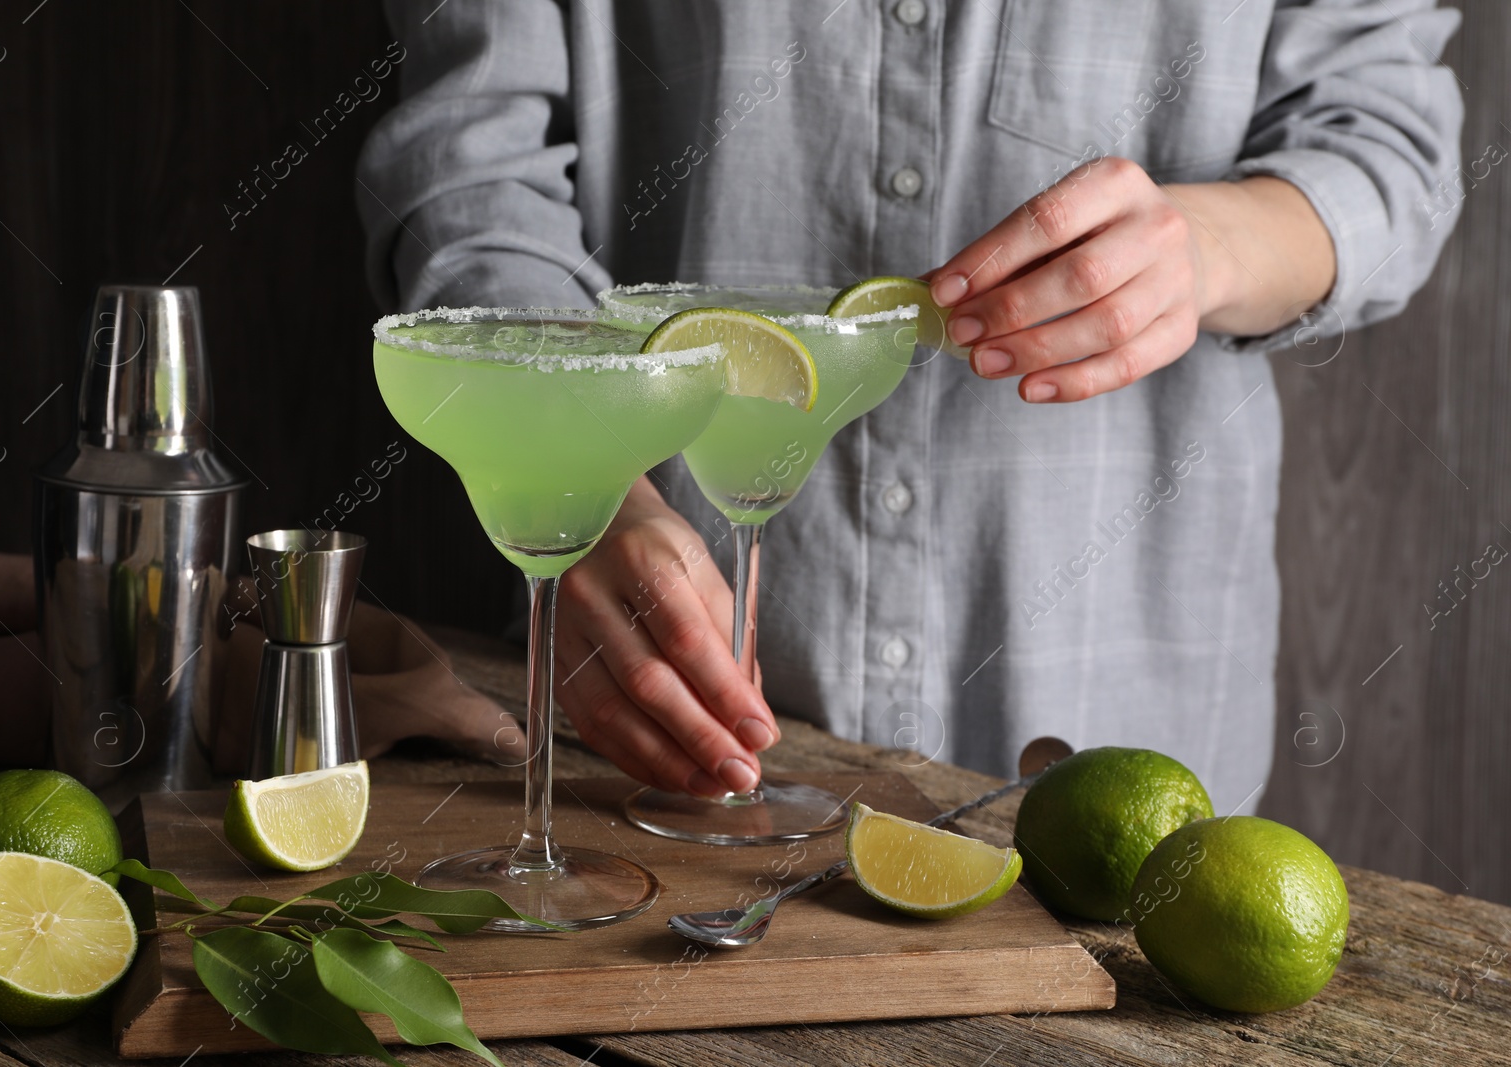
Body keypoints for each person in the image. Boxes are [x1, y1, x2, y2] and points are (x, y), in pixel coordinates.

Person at [358, 0, 1463, 816]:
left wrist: (1208, 246)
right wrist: (577, 471)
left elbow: (1389, 143)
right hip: (637, 734)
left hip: (1123, 747)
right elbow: (467, 163)